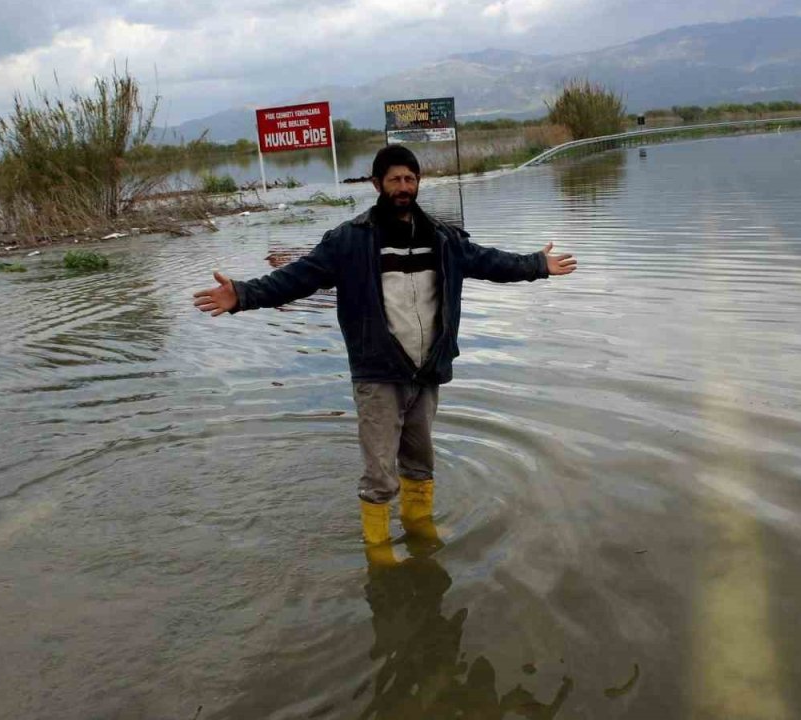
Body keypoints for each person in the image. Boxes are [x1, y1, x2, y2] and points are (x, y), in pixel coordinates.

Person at [192, 145, 577, 558]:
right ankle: (378, 554)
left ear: (418, 184)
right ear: (377, 184)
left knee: (420, 462)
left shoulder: (443, 238)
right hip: (378, 373)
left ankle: (419, 529)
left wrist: (537, 265)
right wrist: (244, 294)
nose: (403, 187)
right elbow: (296, 278)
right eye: (394, 179)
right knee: (380, 474)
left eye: (410, 179)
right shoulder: (349, 241)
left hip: (426, 369)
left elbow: (489, 262)